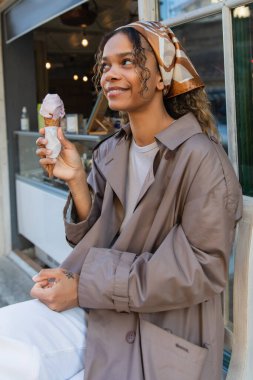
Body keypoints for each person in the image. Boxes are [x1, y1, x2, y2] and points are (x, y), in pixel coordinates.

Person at [0, 21, 242, 380]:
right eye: (106, 65)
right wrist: (77, 182)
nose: (110, 74)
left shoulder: (201, 158)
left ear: (162, 76)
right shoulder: (111, 151)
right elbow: (97, 241)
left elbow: (202, 269)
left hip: (159, 333)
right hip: (102, 311)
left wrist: (83, 288)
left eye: (126, 62)